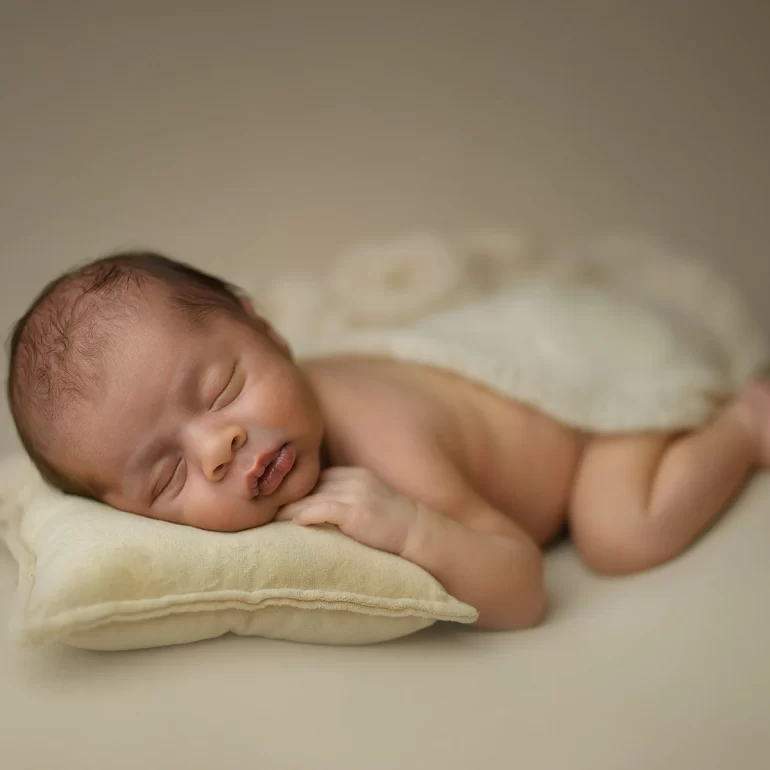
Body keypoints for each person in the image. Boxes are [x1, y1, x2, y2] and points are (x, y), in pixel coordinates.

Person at [7, 252, 769, 630]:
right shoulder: (272, 442)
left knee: (615, 533)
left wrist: (411, 526)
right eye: (169, 476)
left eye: (220, 391)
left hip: (595, 379)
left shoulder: (382, 441)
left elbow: (524, 588)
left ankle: (744, 421)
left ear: (265, 327)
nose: (218, 446)